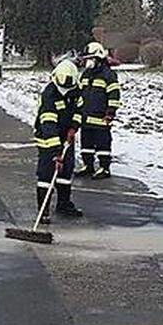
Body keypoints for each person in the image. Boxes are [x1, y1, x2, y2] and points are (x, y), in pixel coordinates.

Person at [34, 60, 84, 219]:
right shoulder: (49, 94)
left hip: (66, 136)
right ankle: (43, 211)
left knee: (66, 170)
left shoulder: (76, 90)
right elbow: (49, 125)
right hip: (48, 138)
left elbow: (79, 110)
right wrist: (56, 153)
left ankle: (63, 204)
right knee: (47, 173)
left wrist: (74, 127)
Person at [78, 41, 121, 179]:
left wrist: (110, 113)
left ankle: (104, 168)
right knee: (86, 144)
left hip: (101, 118)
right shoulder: (86, 75)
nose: (87, 62)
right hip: (85, 117)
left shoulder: (108, 75)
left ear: (98, 58)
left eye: (89, 59)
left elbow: (114, 95)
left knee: (103, 144)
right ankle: (88, 166)